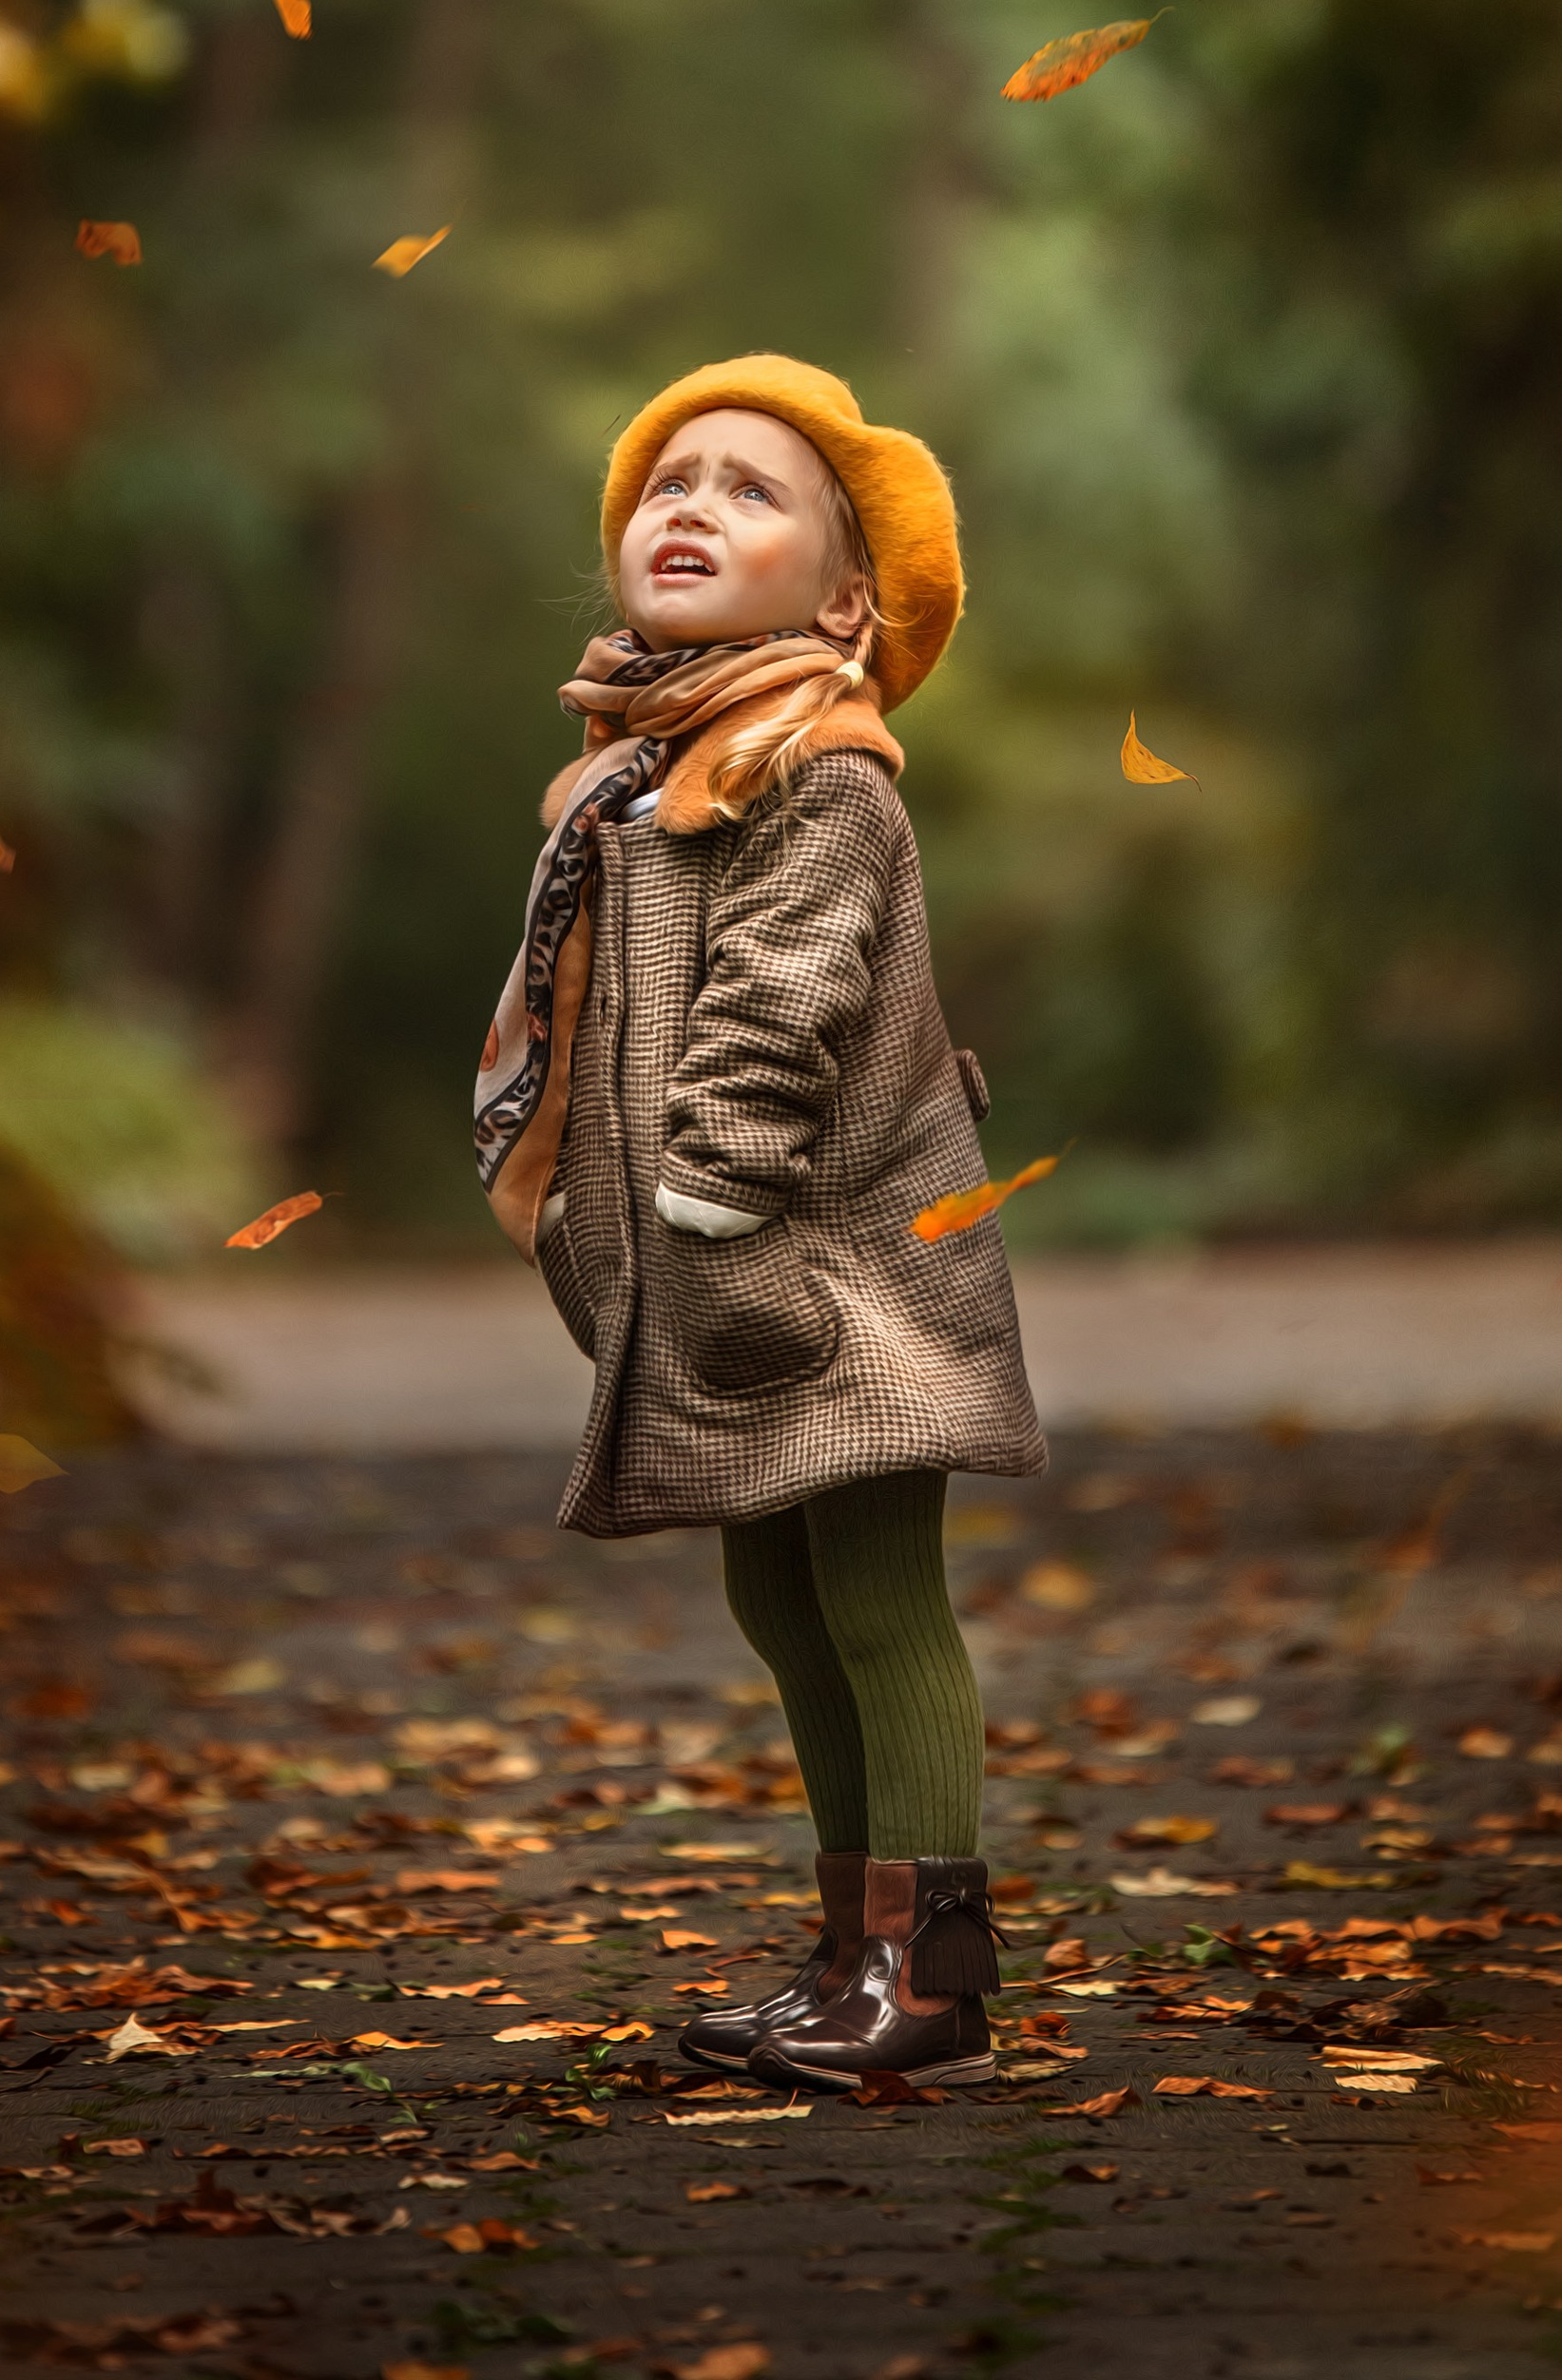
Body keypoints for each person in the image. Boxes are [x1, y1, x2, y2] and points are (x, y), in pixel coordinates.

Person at [473, 354, 1044, 2089]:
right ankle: (850, 1952)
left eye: (749, 490)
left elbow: (780, 1002)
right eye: (669, 482)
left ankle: (932, 1980)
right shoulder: (636, 780)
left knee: (877, 1601)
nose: (692, 507)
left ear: (848, 600)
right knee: (782, 1607)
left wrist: (706, 1204)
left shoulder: (818, 767)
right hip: (728, 1271)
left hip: (842, 1273)